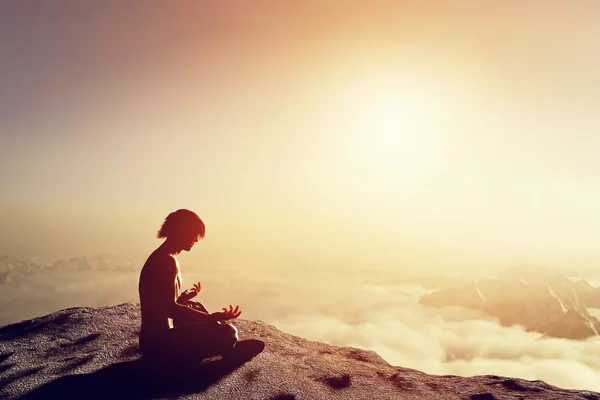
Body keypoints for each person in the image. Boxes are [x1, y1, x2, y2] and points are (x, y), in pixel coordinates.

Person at [138, 209, 242, 361]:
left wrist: (182, 299)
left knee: (194, 305)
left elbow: (160, 305)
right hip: (158, 344)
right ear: (182, 232)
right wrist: (211, 317)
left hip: (154, 340)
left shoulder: (165, 256)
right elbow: (169, 309)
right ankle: (227, 347)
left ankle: (224, 344)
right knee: (229, 332)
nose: (196, 240)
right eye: (194, 234)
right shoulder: (166, 261)